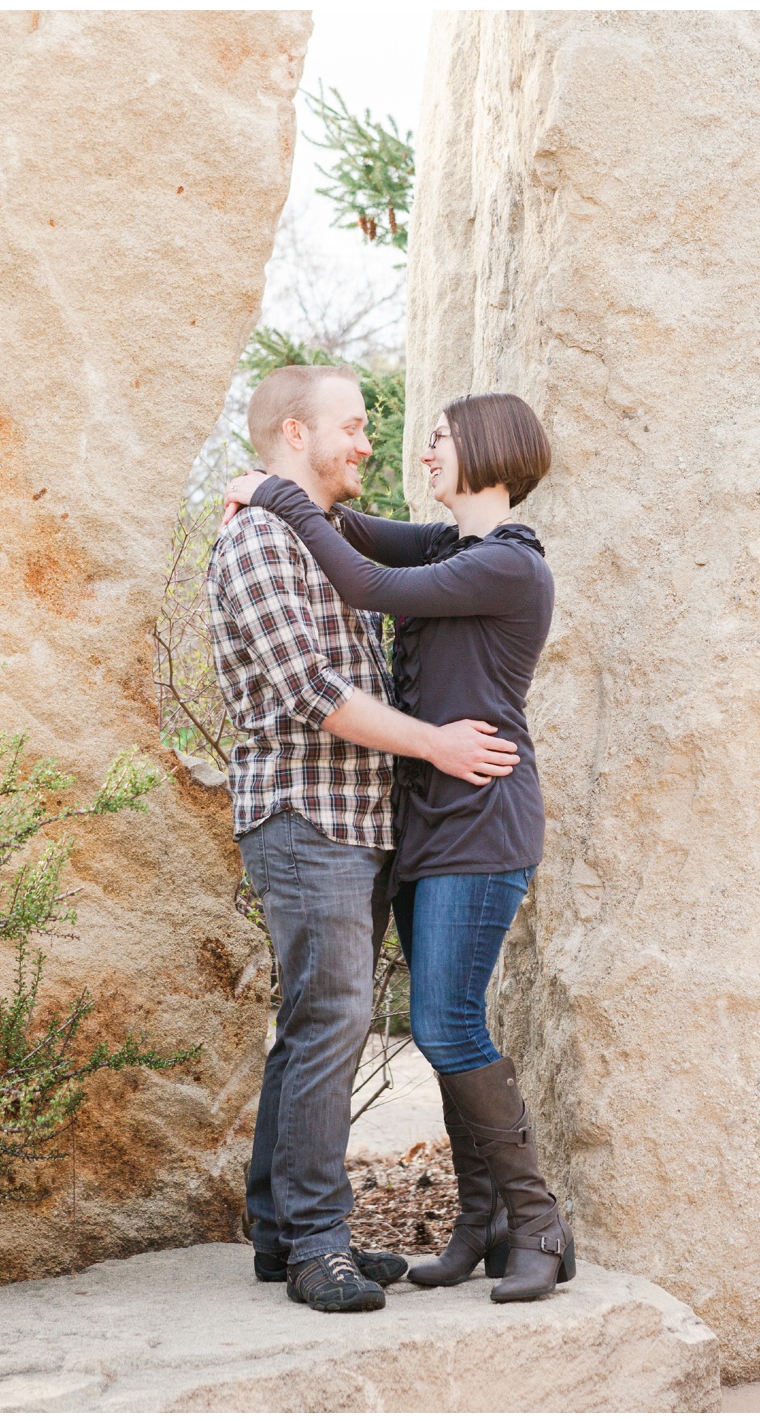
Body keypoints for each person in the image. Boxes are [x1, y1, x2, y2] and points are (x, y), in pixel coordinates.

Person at [223, 390, 572, 1305]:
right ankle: (478, 1224)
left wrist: (274, 492)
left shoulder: (506, 566)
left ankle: (535, 1221)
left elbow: (366, 584)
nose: (418, 453)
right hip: (424, 823)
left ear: (487, 454)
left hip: (480, 818)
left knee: (447, 1026)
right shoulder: (452, 547)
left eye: (440, 441)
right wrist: (277, 491)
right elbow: (364, 536)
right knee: (431, 1022)